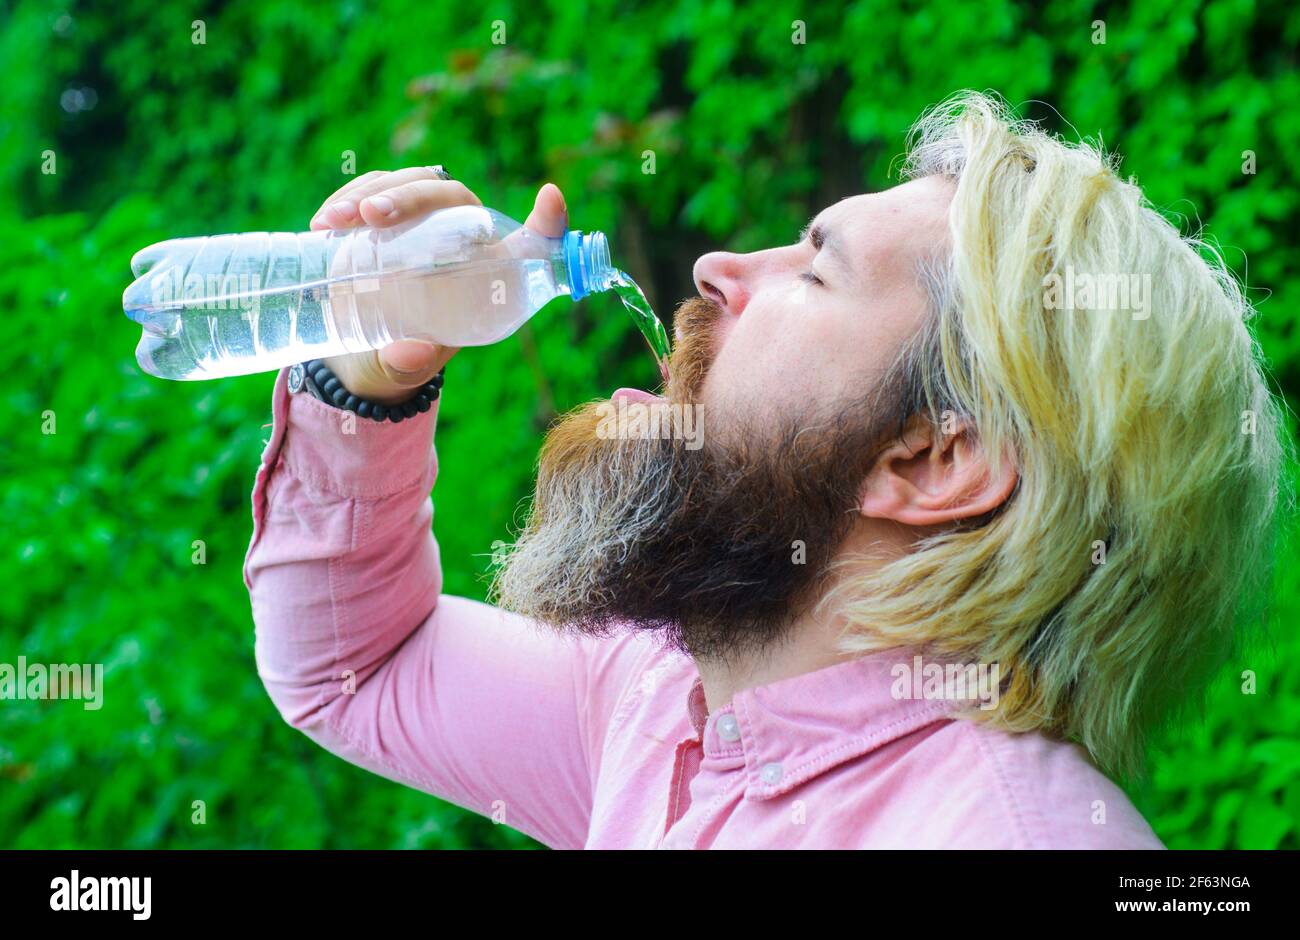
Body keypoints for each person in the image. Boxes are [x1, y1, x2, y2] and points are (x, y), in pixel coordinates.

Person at [244, 92, 1286, 848]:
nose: (718, 271)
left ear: (932, 460)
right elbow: (357, 668)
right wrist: (365, 381)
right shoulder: (661, 708)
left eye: (814, 265)